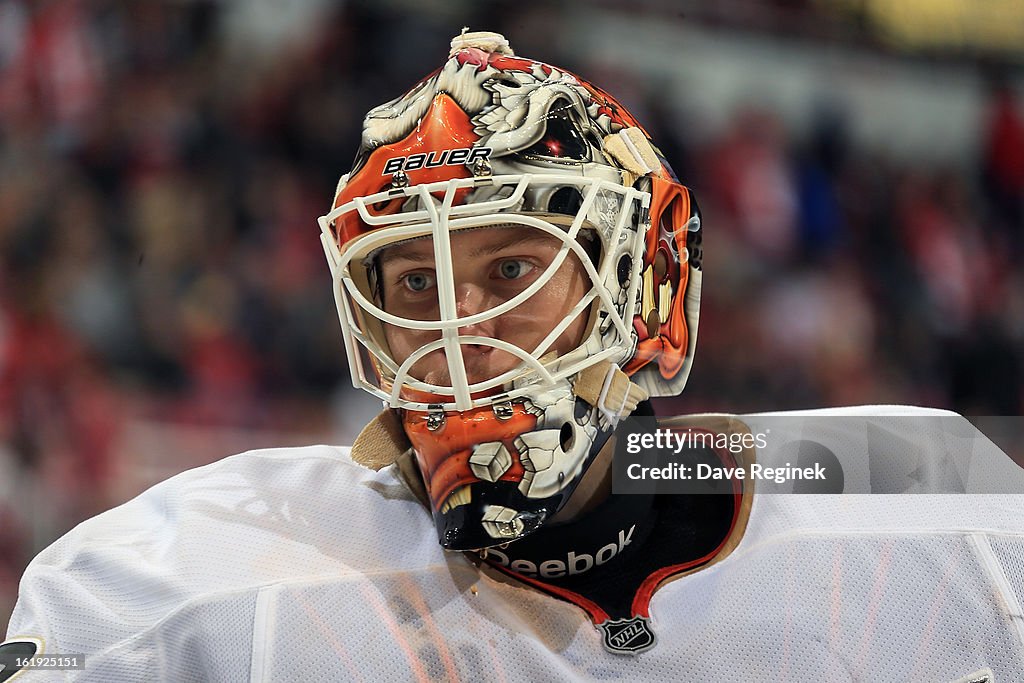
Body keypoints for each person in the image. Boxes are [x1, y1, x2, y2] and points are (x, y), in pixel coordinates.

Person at [4, 30, 1023, 681]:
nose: (458, 327)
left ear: (641, 282)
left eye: (509, 270)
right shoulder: (176, 586)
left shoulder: (932, 523)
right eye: (413, 282)